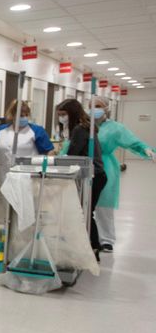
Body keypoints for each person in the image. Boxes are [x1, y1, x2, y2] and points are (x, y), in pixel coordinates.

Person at [88, 96, 155, 252]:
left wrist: (146, 149)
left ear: (106, 108)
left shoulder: (115, 128)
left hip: (105, 166)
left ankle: (106, 239)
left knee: (104, 204)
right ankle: (89, 237)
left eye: (98, 106)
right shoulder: (85, 125)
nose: (94, 109)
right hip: (85, 165)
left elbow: (132, 141)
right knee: (85, 203)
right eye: (91, 106)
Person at [56, 99, 107, 257]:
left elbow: (73, 154)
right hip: (94, 174)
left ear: (72, 113)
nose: (62, 118)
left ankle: (93, 247)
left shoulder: (80, 129)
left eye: (64, 114)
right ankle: (93, 246)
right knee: (85, 212)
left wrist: (58, 160)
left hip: (93, 175)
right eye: (59, 115)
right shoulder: (85, 127)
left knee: (85, 212)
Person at [0, 99, 55, 182]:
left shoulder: (37, 131)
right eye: (21, 115)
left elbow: (50, 152)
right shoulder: (1, 130)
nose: (24, 118)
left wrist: (46, 172)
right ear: (13, 115)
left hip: (29, 178)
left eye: (26, 115)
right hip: (5, 177)